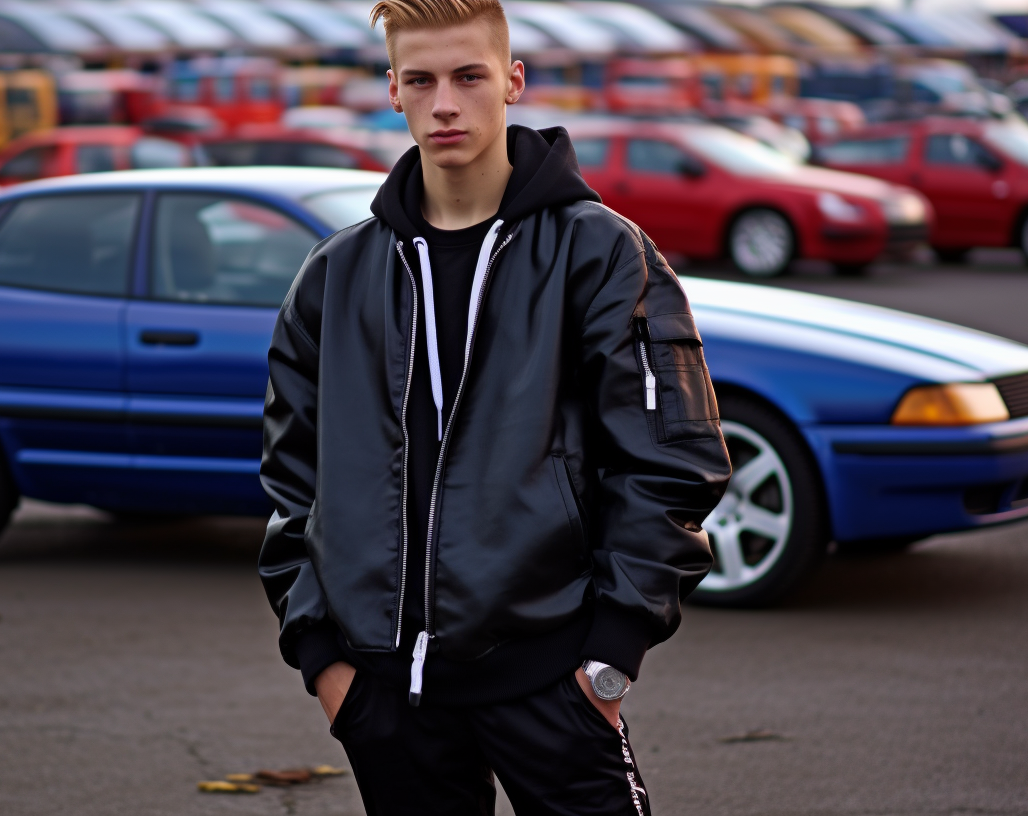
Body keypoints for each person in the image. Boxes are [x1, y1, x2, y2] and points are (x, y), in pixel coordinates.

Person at [258, 0, 732, 811]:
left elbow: (672, 459)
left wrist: (610, 657)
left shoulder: (600, 251)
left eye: (469, 76)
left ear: (513, 81)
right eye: (422, 80)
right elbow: (291, 485)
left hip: (552, 682)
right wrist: (324, 661)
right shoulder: (336, 274)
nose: (446, 102)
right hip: (386, 697)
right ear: (393, 92)